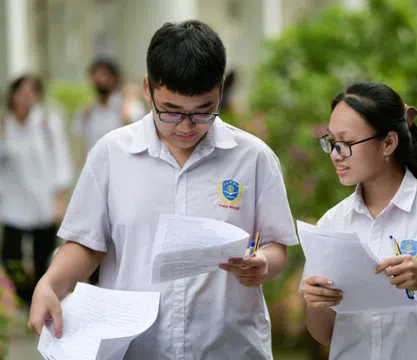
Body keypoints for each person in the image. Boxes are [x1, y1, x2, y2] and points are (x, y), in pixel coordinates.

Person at [28, 20, 298, 359]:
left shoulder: (253, 158)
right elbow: (86, 243)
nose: (186, 127)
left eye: (203, 112)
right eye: (170, 112)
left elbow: (276, 245)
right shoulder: (112, 154)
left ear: (221, 90)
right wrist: (50, 284)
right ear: (147, 88)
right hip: (137, 348)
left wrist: (263, 264)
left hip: (228, 347)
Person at [302, 82, 417, 360]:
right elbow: (324, 334)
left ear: (388, 143)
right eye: (332, 142)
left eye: (347, 143)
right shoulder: (332, 223)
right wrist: (316, 304)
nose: (336, 154)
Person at [0, 74, 73, 305]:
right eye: (21, 91)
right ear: (12, 94)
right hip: (13, 200)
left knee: (44, 256)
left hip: (43, 199)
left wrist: (59, 198)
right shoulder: (4, 122)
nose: (25, 97)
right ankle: (24, 298)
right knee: (12, 256)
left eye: (32, 92)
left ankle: (40, 301)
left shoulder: (47, 122)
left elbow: (61, 157)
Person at [73, 58, 145, 163]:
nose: (100, 79)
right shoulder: (86, 112)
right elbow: (83, 143)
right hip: (97, 169)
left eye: (104, 75)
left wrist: (126, 105)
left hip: (123, 167)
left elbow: (139, 134)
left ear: (114, 78)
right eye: (95, 75)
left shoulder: (130, 105)